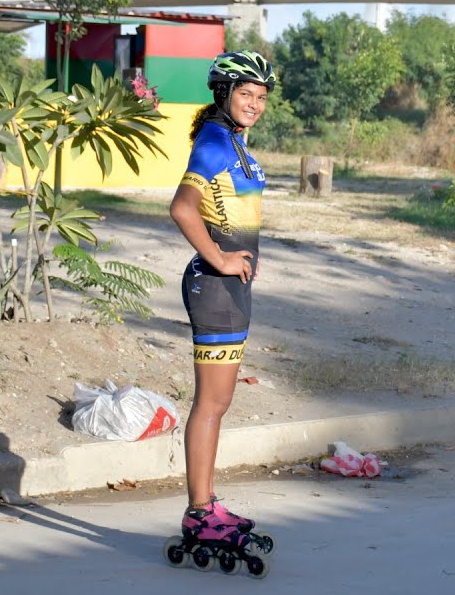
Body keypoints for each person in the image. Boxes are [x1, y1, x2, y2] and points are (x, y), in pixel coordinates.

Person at [165, 50, 276, 575]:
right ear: (223, 94)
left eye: (260, 97)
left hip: (230, 289)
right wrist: (221, 259)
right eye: (245, 95)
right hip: (214, 285)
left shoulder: (233, 140)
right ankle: (199, 512)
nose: (253, 104)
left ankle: (206, 503)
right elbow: (183, 207)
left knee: (220, 401)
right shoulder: (213, 140)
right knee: (210, 403)